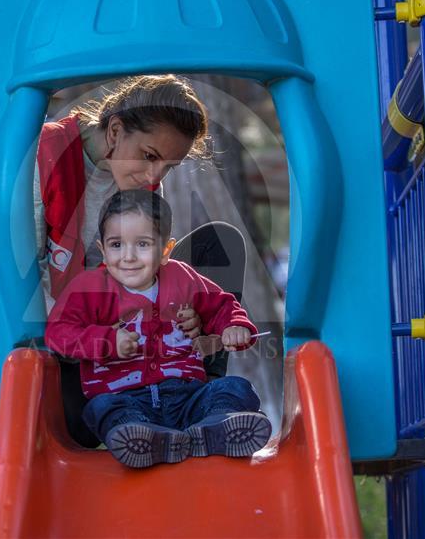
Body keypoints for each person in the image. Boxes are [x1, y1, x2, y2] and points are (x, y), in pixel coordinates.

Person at [34, 75, 248, 446]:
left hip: (138, 325)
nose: (154, 176)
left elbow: (152, 268)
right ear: (115, 130)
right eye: (149, 157)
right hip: (79, 328)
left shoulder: (145, 182)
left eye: (168, 167)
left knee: (218, 243)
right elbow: (23, 276)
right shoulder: (46, 153)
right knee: (79, 425)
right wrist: (98, 334)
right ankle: (136, 413)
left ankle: (200, 397)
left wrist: (184, 310)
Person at [45, 190, 271, 468]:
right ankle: (145, 440)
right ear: (102, 249)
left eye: (142, 244)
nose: (128, 256)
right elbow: (58, 333)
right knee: (100, 409)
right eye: (116, 245)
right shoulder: (90, 288)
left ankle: (214, 426)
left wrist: (234, 326)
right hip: (124, 398)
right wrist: (107, 340)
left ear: (165, 250)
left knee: (235, 387)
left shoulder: (181, 277)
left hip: (186, 394)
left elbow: (221, 304)